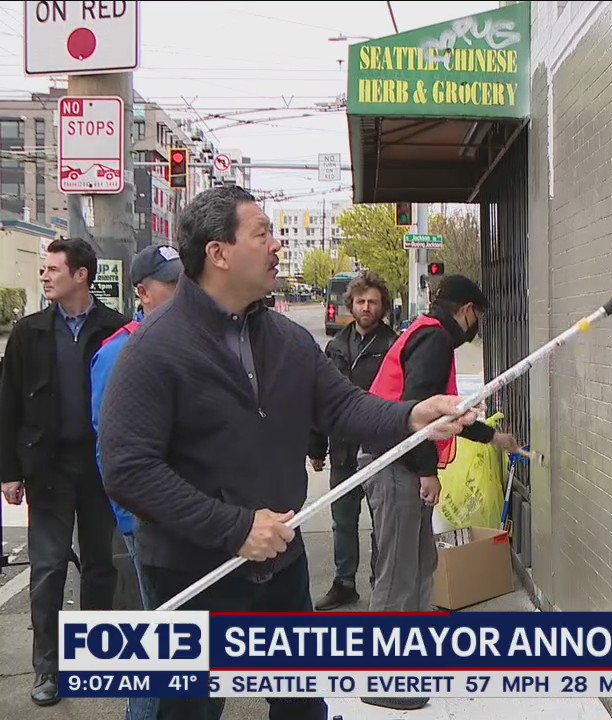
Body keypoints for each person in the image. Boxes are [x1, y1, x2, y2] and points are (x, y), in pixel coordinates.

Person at [98, 185, 480, 720]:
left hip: (281, 566)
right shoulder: (154, 350)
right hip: (193, 574)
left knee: (302, 704)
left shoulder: (286, 340)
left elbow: (344, 407)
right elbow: (128, 471)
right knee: (187, 712)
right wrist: (233, 528)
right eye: (263, 233)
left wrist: (412, 417)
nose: (277, 245)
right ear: (219, 253)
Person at [360, 274, 521, 711]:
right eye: (479, 318)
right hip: (396, 463)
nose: (476, 327)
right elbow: (418, 414)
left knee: (420, 564)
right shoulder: (432, 341)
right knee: (397, 572)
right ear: (467, 310)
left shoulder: (427, 336)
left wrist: (493, 439)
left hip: (400, 462)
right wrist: (427, 471)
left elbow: (445, 413)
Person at [0, 237, 129, 707]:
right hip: (47, 469)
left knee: (99, 566)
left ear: (82, 275)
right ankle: (47, 669)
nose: (45, 275)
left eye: (54, 268)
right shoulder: (30, 331)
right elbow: (8, 403)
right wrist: (8, 472)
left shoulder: (116, 329)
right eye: (44, 268)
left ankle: (91, 659)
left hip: (99, 469)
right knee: (49, 568)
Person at [87, 245, 182, 720]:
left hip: (197, 519)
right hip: (149, 522)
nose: (186, 292)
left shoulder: (195, 341)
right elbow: (111, 446)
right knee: (160, 641)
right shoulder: (119, 351)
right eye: (173, 284)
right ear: (143, 292)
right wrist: (134, 518)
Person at [307, 271, 398, 610]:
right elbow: (319, 399)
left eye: (373, 302)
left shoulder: (394, 346)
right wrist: (315, 447)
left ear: (382, 307)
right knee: (342, 522)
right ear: (351, 305)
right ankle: (345, 583)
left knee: (382, 524)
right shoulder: (336, 347)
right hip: (343, 451)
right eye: (360, 301)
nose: (366, 307)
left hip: (381, 450)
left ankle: (381, 581)